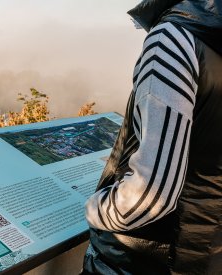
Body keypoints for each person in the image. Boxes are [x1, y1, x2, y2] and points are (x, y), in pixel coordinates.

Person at [82, 1, 222, 274]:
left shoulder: (173, 39)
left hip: (139, 257)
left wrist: (95, 209)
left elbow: (153, 193)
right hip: (207, 253)